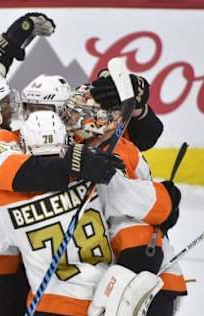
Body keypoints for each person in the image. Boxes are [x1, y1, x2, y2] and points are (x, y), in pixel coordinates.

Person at [0, 13, 124, 316]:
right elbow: (23, 175)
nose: (11, 107)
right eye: (4, 103)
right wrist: (74, 163)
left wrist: (6, 53)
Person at [0, 110, 177, 316]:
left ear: (23, 146)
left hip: (50, 307)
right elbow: (161, 206)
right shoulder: (94, 179)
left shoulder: (0, 201)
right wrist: (169, 194)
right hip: (105, 303)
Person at [61, 85, 187, 315]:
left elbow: (135, 214)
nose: (71, 118)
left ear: (102, 120)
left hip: (145, 282)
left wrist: (166, 202)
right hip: (131, 276)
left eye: (81, 112)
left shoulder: (115, 155)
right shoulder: (96, 147)